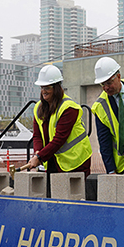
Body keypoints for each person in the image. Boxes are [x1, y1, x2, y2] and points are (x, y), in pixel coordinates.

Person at [27, 65, 92, 195]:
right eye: (42, 87)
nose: (43, 91)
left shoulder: (69, 108)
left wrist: (40, 157)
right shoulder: (38, 108)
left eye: (47, 87)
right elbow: (37, 136)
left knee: (74, 200)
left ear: (56, 87)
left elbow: (59, 140)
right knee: (55, 198)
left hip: (76, 161)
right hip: (53, 160)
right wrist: (37, 152)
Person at [91, 57, 124, 174]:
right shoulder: (100, 106)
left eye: (109, 83)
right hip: (122, 161)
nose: (106, 88)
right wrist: (111, 170)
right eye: (102, 84)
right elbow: (104, 142)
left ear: (118, 77)